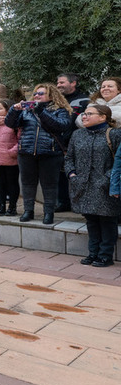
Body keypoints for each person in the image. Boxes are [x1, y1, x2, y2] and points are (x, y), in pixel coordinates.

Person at [6, 83, 73, 224]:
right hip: (26, 151)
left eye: (41, 93)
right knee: (28, 183)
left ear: (51, 95)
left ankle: (49, 213)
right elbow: (10, 124)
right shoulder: (27, 110)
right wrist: (14, 110)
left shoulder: (60, 109)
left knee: (49, 185)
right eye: (36, 93)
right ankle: (28, 211)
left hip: (50, 152)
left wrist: (41, 111)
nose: (37, 95)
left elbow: (61, 125)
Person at [66, 104, 121, 267]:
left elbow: (119, 162)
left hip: (105, 186)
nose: (84, 116)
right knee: (91, 220)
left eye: (89, 114)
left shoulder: (115, 134)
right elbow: (69, 158)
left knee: (107, 221)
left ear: (103, 117)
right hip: (82, 185)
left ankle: (105, 255)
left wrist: (107, 178)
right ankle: (93, 253)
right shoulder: (77, 134)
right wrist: (72, 175)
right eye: (84, 113)